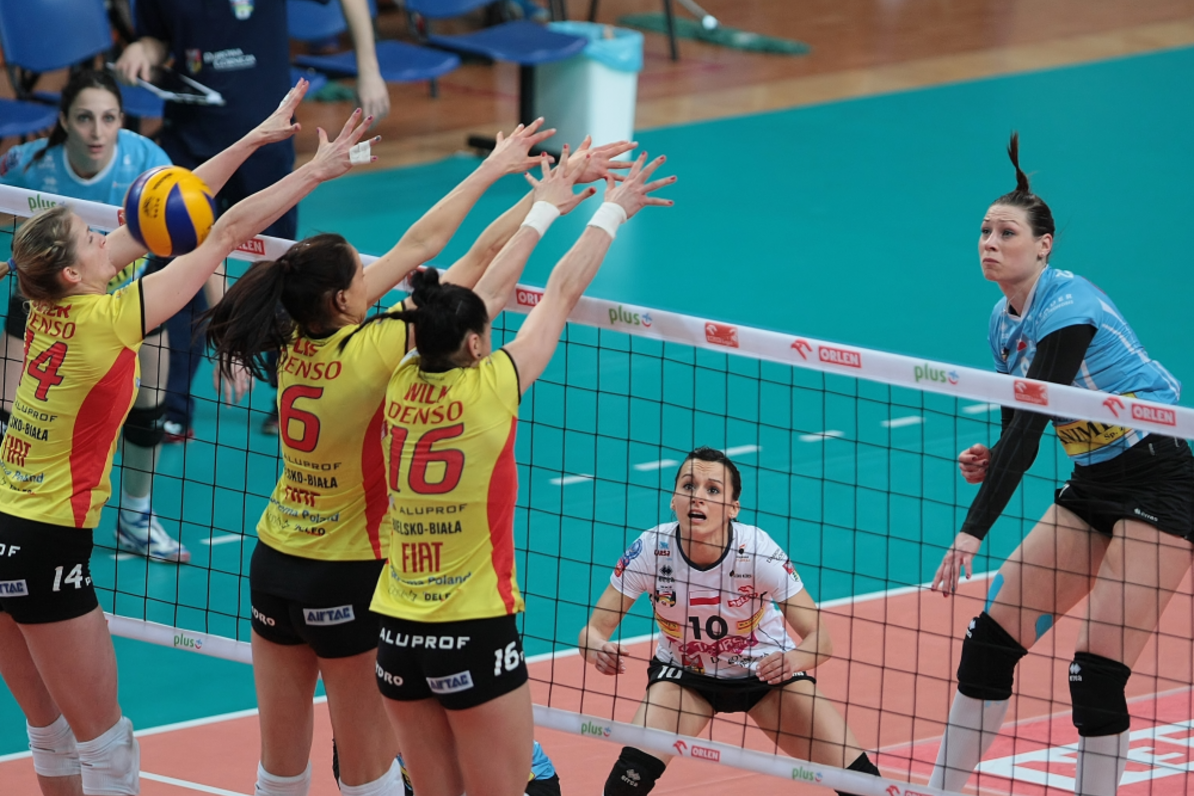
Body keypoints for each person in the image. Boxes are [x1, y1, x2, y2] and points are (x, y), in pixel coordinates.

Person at [205, 123, 618, 796]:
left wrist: (527, 185)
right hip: (349, 578)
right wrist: (527, 187)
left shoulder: (288, 338)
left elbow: (428, 255)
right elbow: (464, 260)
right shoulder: (380, 355)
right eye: (361, 272)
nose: (373, 274)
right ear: (343, 299)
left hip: (274, 563)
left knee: (278, 768)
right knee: (367, 773)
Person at [0, 100, 372, 796]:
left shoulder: (46, 301)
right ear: (75, 271)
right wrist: (314, 172)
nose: (102, 235)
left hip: (3, 525)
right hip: (46, 542)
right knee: (106, 747)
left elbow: (166, 207)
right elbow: (222, 229)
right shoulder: (109, 319)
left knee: (49, 732)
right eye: (89, 237)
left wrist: (253, 138)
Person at [367, 151, 674, 796]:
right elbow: (559, 290)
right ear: (477, 343)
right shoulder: (494, 386)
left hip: (394, 629)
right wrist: (611, 210)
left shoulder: (397, 377)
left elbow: (486, 294)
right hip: (474, 629)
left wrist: (544, 205)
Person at [928, 134, 1194, 796]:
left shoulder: (1068, 310)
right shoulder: (1003, 320)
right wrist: (995, 454)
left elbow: (1033, 425)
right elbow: (1018, 422)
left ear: (1044, 246)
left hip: (1161, 481)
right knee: (988, 645)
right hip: (1094, 481)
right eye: (985, 231)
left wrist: (972, 532)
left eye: (1007, 233)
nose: (990, 243)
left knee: (1094, 674)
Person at [114, 0, 391, 440]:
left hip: (268, 137)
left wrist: (368, 66)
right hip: (192, 140)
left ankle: (291, 395)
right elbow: (160, 40)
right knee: (177, 274)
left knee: (284, 273)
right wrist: (142, 50)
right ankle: (172, 408)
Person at [0, 67, 244, 563]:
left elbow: (197, 220)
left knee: (148, 413)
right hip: (47, 304)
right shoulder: (29, 164)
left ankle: (135, 516)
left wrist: (226, 327)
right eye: (84, 118)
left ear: (122, 121)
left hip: (134, 299)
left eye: (109, 118)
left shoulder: (145, 160)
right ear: (64, 120)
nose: (97, 131)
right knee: (10, 418)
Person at [579, 446, 883, 796]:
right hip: (685, 678)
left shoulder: (757, 551)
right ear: (673, 500)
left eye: (713, 490)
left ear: (732, 508)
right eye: (688, 486)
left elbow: (820, 639)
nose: (698, 497)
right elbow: (592, 632)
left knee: (863, 785)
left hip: (766, 678)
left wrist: (793, 660)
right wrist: (597, 650)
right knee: (624, 784)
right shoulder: (650, 549)